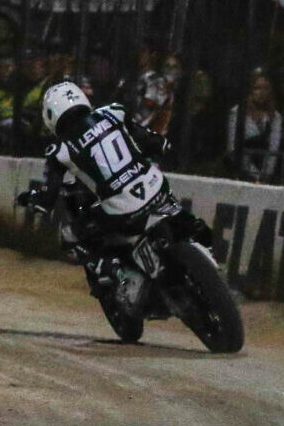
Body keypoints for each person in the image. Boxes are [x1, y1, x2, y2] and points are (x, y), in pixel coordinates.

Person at [19, 78, 174, 315]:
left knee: (71, 234)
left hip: (122, 209)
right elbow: (151, 141)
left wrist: (32, 199)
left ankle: (115, 272)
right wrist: (164, 145)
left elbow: (48, 198)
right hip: (155, 186)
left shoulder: (59, 150)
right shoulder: (113, 113)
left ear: (50, 115)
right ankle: (199, 247)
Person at [226, 68, 283, 181]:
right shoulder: (237, 113)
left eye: (265, 88)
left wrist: (265, 177)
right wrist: (254, 175)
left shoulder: (275, 117)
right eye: (257, 88)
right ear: (250, 90)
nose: (261, 93)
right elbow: (232, 148)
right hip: (239, 173)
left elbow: (273, 150)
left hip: (264, 176)